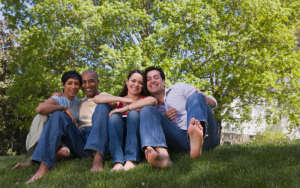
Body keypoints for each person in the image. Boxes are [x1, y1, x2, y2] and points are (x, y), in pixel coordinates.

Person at [26, 70, 111, 184]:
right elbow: (46, 106)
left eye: (91, 81)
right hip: (81, 140)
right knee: (58, 115)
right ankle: (43, 167)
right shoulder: (79, 102)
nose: (87, 85)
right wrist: (61, 102)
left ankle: (98, 158)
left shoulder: (106, 96)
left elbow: (118, 105)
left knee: (102, 106)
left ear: (97, 82)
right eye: (84, 82)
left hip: (99, 136)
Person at [140, 66, 220, 168]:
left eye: (156, 77)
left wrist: (206, 99)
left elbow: (210, 103)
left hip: (207, 137)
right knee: (146, 110)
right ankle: (164, 157)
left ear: (163, 82)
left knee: (195, 96)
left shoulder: (179, 88)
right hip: (181, 140)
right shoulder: (152, 108)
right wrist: (165, 119)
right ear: (146, 85)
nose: (152, 81)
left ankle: (197, 133)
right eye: (148, 79)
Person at [94, 69, 157, 171]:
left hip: (137, 141)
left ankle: (131, 160)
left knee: (133, 113)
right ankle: (118, 162)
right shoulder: (119, 101)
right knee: (114, 117)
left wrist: (125, 109)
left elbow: (153, 101)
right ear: (127, 81)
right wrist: (122, 99)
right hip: (119, 140)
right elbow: (97, 98)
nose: (136, 85)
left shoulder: (145, 99)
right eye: (133, 81)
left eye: (140, 83)